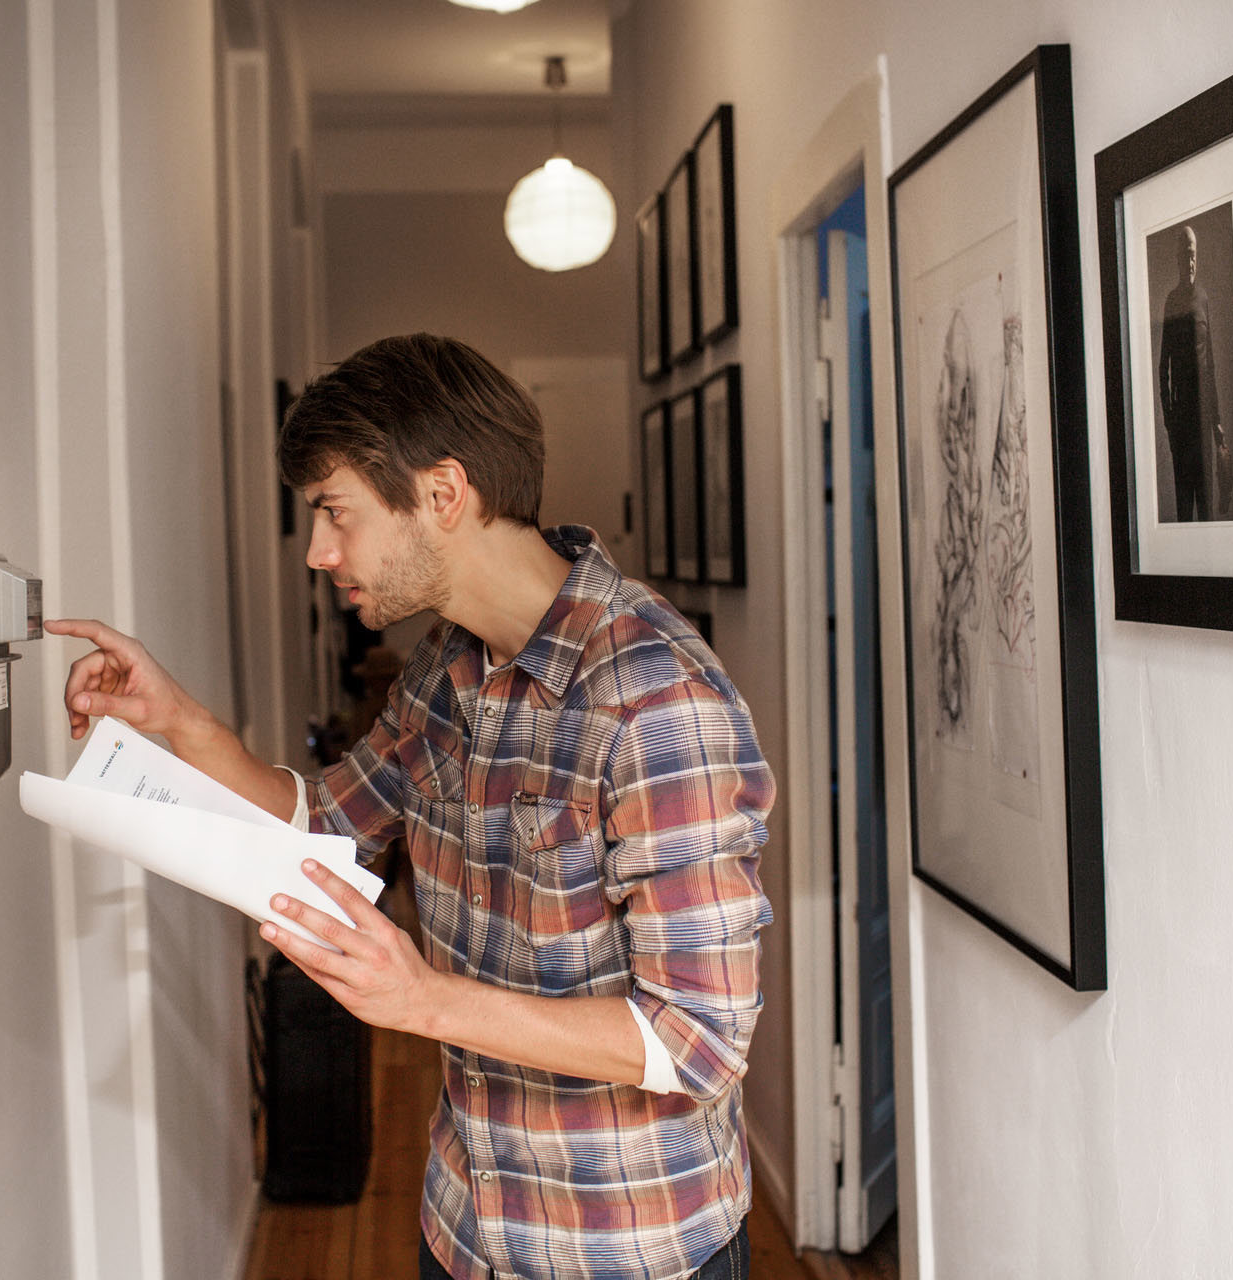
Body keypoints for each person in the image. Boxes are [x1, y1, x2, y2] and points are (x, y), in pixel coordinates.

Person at [47, 333, 773, 1280]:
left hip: (624, 1249)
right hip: (463, 1223)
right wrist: (178, 720)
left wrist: (420, 999)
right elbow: (325, 819)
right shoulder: (448, 663)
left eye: (335, 513)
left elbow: (699, 1037)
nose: (317, 552)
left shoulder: (657, 700)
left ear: (442, 493)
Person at [1156, 224, 1224, 522]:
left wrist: (1217, 422)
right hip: (1181, 425)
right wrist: (1170, 420)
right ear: (1178, 260)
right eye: (1186, 255)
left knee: (1207, 507)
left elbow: (1210, 365)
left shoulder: (1204, 299)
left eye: (1194, 254)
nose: (1191, 262)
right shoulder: (1172, 302)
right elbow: (1163, 367)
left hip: (1203, 420)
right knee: (1184, 510)